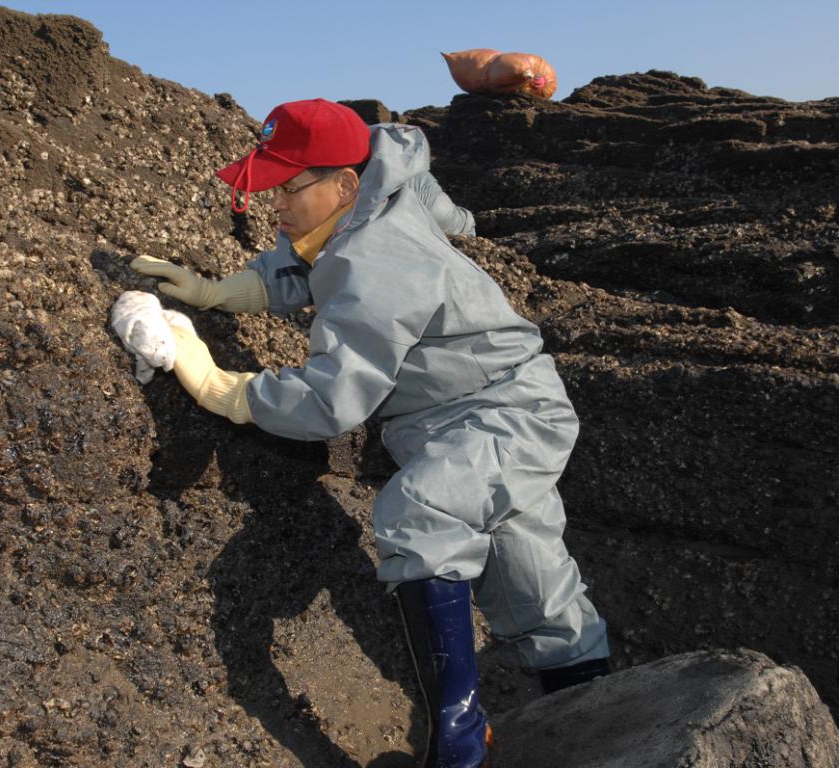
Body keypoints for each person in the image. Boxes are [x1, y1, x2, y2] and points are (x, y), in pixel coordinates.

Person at [128, 99, 610, 767]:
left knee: (419, 514)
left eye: (288, 187)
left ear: (346, 184)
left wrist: (225, 389)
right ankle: (597, 718)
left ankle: (460, 752)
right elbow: (317, 260)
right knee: (531, 578)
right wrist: (217, 292)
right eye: (270, 184)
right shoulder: (384, 183)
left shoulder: (375, 258)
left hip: (503, 414)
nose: (275, 202)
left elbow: (332, 398)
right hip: (484, 409)